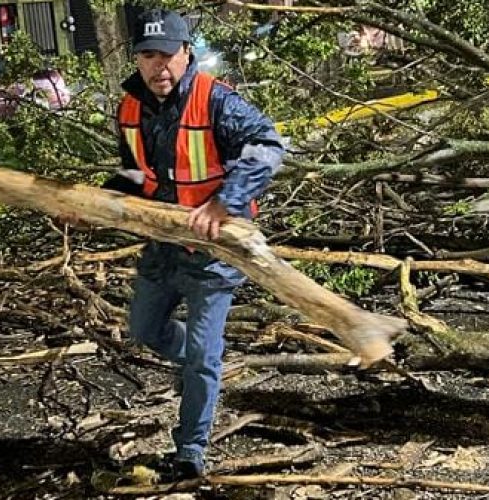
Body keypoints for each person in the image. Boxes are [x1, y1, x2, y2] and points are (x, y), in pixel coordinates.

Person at [100, 8, 284, 479]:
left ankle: (190, 451)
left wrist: (226, 202)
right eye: (147, 56)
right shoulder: (130, 108)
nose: (158, 66)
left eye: (166, 55)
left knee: (203, 355)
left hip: (214, 252)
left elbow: (268, 146)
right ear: (136, 59)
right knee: (145, 331)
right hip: (162, 247)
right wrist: (91, 203)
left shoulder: (216, 100)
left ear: (186, 53)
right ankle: (206, 365)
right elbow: (134, 174)